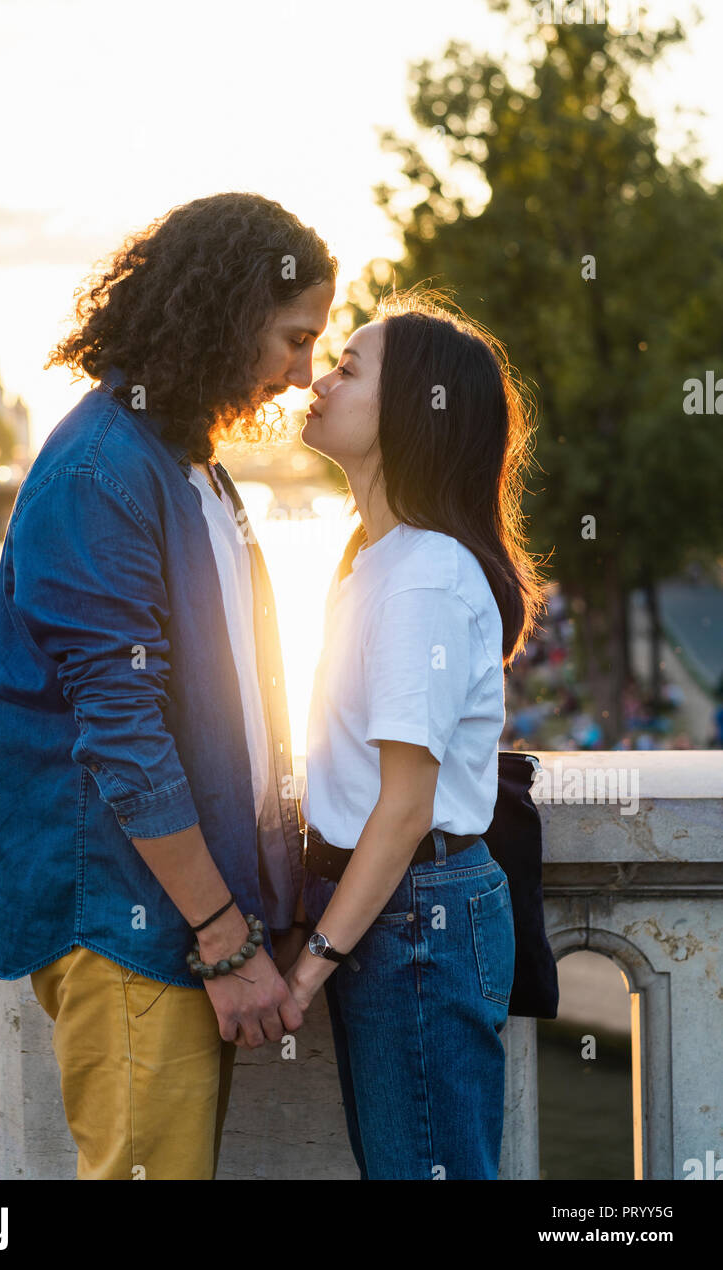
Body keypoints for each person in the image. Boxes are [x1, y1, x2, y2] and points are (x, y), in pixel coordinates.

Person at [0, 191, 336, 1179]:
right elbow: (123, 733)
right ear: (227, 317)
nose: (304, 373)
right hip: (132, 923)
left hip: (175, 918)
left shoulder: (185, 461)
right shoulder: (102, 468)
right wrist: (225, 939)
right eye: (294, 339)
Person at [283, 291, 547, 1180]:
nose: (321, 378)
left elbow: (405, 806)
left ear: (412, 412)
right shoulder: (377, 556)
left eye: (350, 368)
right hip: (399, 913)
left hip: (414, 918)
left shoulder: (423, 577)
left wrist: (313, 964)